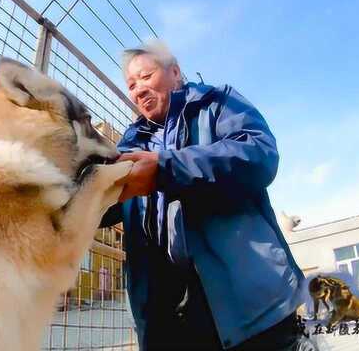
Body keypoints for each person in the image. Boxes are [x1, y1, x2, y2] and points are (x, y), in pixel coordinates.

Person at [100, 41, 306, 350]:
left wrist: (166, 168)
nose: (138, 90)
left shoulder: (216, 103)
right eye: (131, 85)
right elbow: (101, 209)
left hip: (245, 297)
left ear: (175, 72)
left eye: (146, 76)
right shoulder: (130, 145)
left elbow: (260, 154)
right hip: (169, 312)